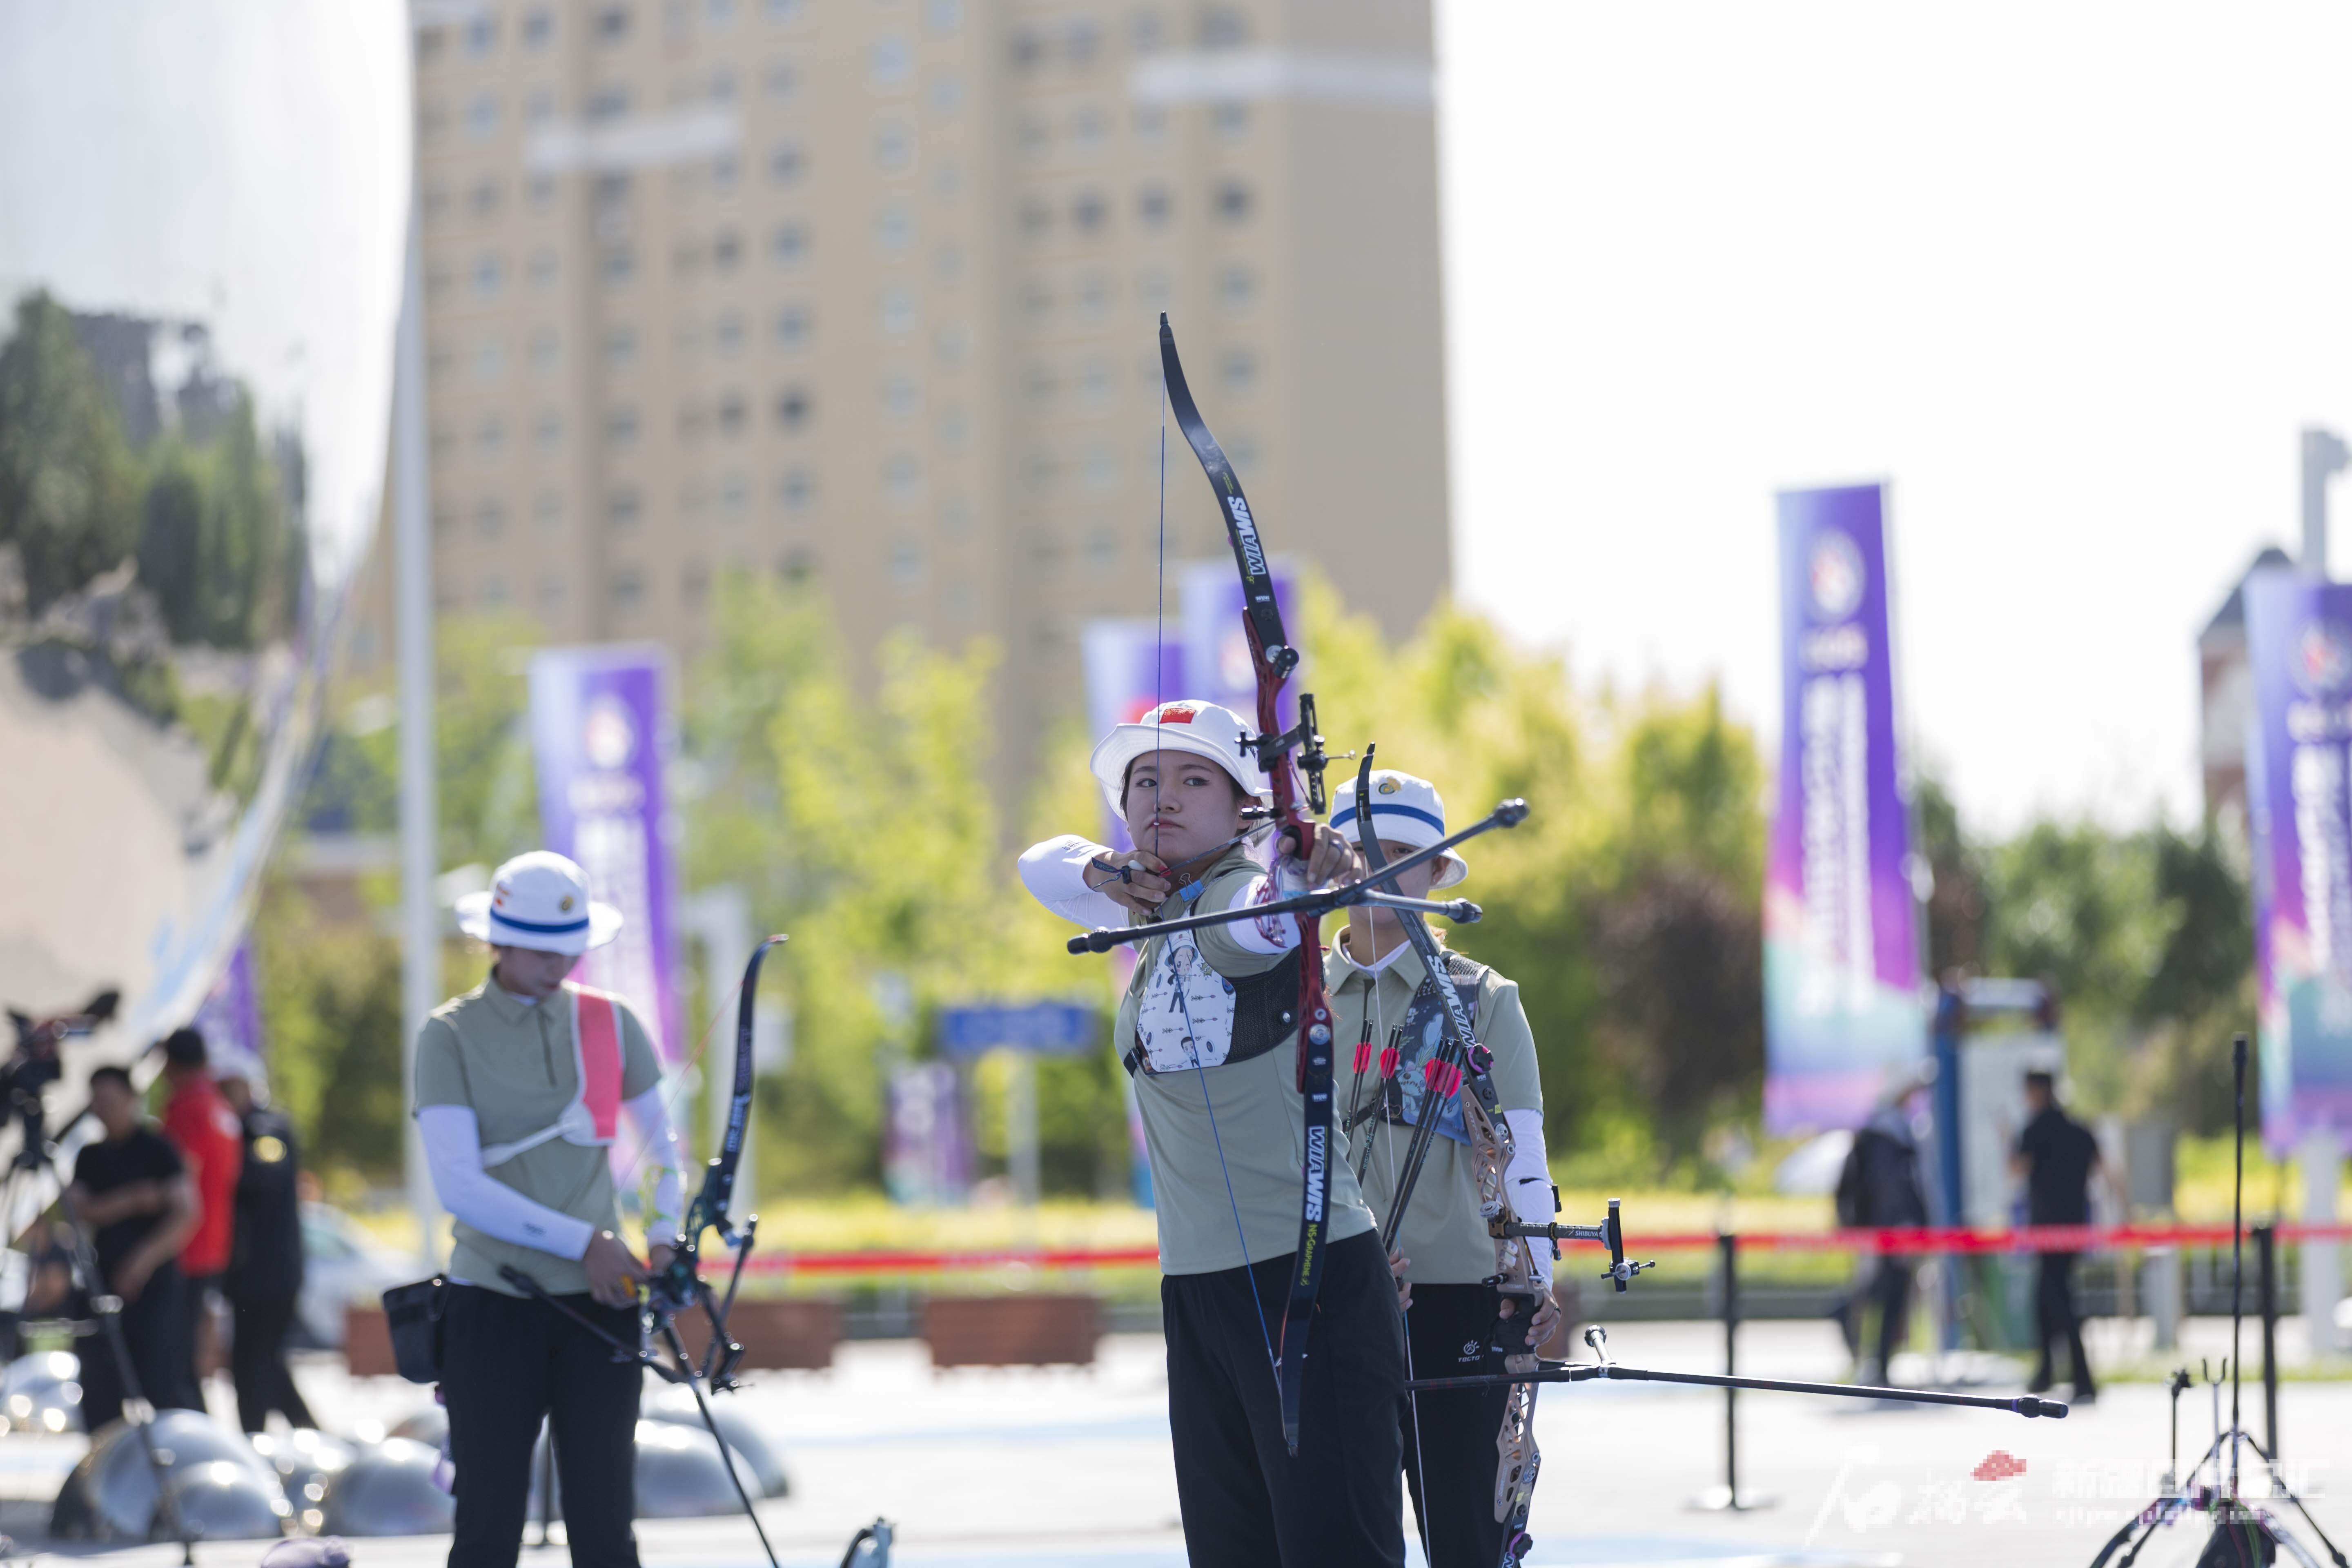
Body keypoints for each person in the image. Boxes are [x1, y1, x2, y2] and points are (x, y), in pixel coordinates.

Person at [1019, 700, 1406, 1568]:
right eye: (1145, 781)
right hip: (1198, 1290)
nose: (1164, 795)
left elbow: (1258, 926)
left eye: (1196, 779)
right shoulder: (1150, 909)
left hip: (1307, 1277)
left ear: (1246, 810)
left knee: (1338, 1551)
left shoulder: (1232, 896)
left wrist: (1299, 886)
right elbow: (1037, 862)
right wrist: (1105, 874)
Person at [416, 850, 685, 1568]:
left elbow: (662, 1146)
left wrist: (663, 1236)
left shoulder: (609, 1022)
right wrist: (584, 1241)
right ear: (497, 939)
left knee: (605, 1532)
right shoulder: (448, 1035)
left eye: (569, 947)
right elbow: (460, 1187)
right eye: (540, 947)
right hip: (492, 1306)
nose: (558, 963)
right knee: (487, 1532)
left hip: (604, 1305)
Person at [1323, 767, 1557, 1568]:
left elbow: (1521, 1151)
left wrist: (1536, 1275)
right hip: (1329, 1295)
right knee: (1338, 1542)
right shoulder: (1293, 995)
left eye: (1400, 853)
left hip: (1458, 1302)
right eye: (1355, 853)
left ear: (1436, 872)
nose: (1376, 872)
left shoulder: (1481, 996)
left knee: (1469, 1543)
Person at [65, 1064, 203, 1431]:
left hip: (154, 1284)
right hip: (104, 1279)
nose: (103, 1109)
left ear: (131, 1099)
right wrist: (133, 1200)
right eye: (97, 1101)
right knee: (100, 1386)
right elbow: (78, 1209)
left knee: (161, 1382)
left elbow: (187, 1212)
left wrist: (142, 1261)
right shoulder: (90, 1156)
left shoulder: (159, 1149)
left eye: (110, 1100)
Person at [216, 1061, 317, 1433]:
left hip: (271, 1270)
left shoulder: (266, 1129)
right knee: (258, 1359)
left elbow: (264, 1175)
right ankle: (301, 1429)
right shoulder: (239, 1131)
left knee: (257, 1359)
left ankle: (262, 1434)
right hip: (248, 1273)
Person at [159, 1026, 243, 1397]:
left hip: (185, 1246)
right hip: (214, 1244)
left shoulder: (187, 1108)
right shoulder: (219, 1106)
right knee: (192, 1358)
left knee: (176, 1361)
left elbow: (182, 1179)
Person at [2013, 1069, 2101, 1403]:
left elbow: (2015, 1170)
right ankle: (2048, 1370)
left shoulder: (2034, 1131)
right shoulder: (2079, 1130)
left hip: (2047, 1230)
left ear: (2037, 1091)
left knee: (2059, 1302)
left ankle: (2082, 1378)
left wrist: (2004, 1138)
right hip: (2075, 1229)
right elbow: (2105, 1169)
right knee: (2046, 1299)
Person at [1833, 1081, 1929, 1387]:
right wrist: (1907, 1226)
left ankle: (1877, 1360)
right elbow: (1894, 1190)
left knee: (1880, 1292)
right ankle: (1878, 1361)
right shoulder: (1890, 1138)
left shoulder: (1878, 1133)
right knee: (1887, 1293)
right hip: (1889, 1231)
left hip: (1877, 1229)